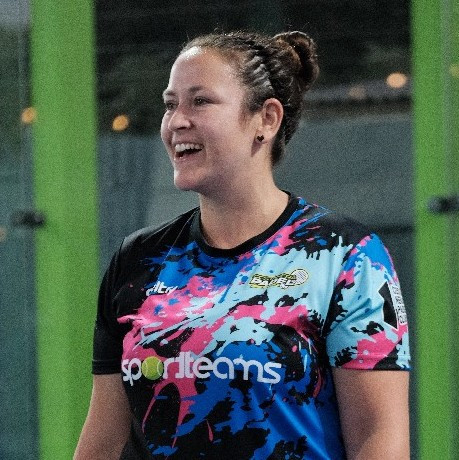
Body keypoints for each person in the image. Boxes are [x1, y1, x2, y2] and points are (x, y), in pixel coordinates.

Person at [74, 30, 411, 459]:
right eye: (170, 104)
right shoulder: (138, 259)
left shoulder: (346, 254)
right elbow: (104, 441)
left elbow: (379, 438)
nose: (177, 121)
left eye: (200, 101)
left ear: (266, 119)